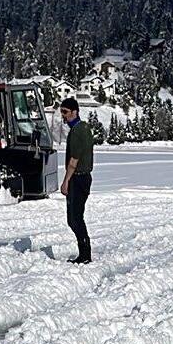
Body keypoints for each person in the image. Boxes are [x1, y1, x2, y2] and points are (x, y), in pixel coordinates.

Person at [59, 98, 94, 263]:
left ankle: (85, 254)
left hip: (78, 178)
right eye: (62, 112)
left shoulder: (77, 131)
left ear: (75, 112)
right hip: (84, 177)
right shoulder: (84, 128)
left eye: (65, 112)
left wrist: (66, 181)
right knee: (75, 217)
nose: (63, 116)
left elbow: (74, 160)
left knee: (74, 218)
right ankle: (85, 253)